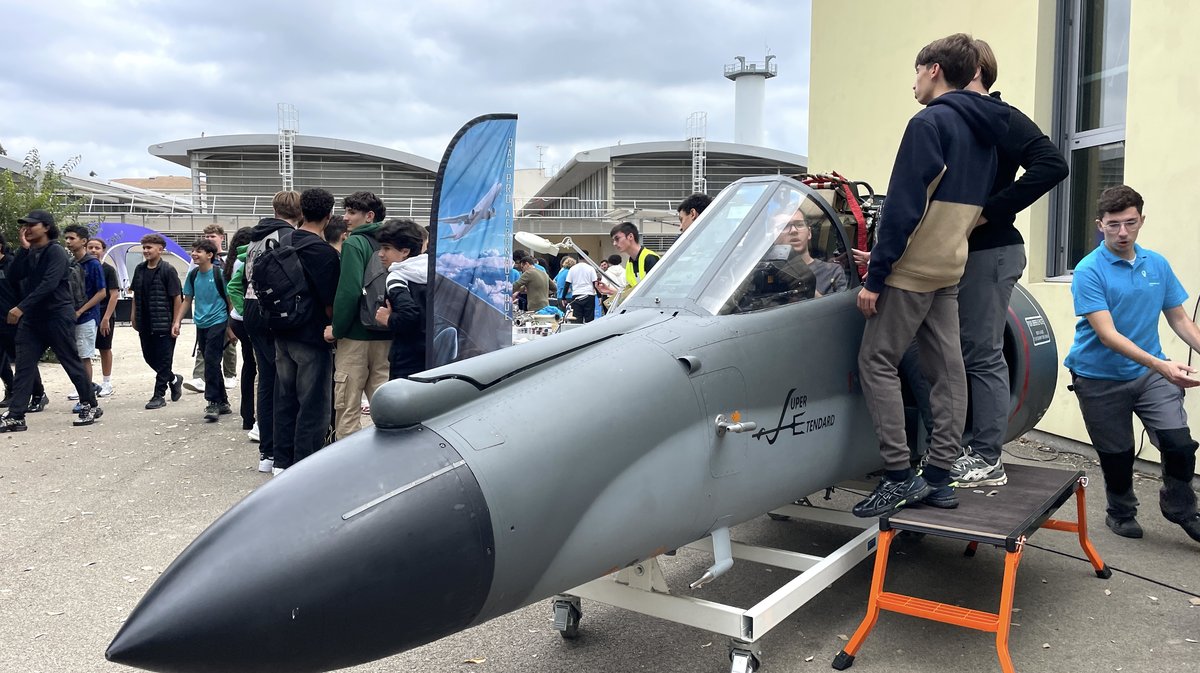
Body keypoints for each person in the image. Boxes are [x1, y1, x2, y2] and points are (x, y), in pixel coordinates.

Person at [852, 33, 1009, 517]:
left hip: (911, 269)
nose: (914, 82)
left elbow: (902, 207)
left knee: (876, 361)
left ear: (935, 69)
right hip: (950, 265)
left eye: (917, 71)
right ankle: (939, 477)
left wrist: (875, 276)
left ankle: (899, 475)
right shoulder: (988, 129)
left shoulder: (929, 124)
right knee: (949, 370)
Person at [946, 39, 1071, 487]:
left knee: (981, 352)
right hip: (957, 254)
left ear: (975, 69)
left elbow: (1052, 164)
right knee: (955, 353)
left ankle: (986, 458)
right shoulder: (955, 120)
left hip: (991, 250)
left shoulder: (1001, 117)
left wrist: (989, 211)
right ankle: (958, 448)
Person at [1064, 185, 1200, 544]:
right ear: (1100, 225)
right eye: (1113, 225)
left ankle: (1181, 507)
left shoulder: (1156, 264)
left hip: (1148, 375)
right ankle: (1121, 512)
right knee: (1118, 455)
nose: (1122, 233)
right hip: (1098, 377)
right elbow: (1108, 335)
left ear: (1141, 220)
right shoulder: (1089, 270)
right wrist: (1162, 365)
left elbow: (1181, 320)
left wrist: (1162, 365)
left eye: (1130, 223)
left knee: (1179, 443)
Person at [1, 210, 104, 431]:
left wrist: (20, 308)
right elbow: (13, 277)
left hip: (57, 315)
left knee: (70, 362)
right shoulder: (30, 252)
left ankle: (90, 404)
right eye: (24, 225)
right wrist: (23, 250)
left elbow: (49, 284)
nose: (27, 228)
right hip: (33, 319)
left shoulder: (56, 251)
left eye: (32, 224)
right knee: (24, 366)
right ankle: (16, 415)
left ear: (46, 227)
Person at [272, 188, 341, 474]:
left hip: (281, 330)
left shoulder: (282, 242)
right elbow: (330, 301)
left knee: (285, 398)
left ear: (301, 212)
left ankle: (280, 462)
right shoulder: (323, 252)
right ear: (329, 215)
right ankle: (305, 468)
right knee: (313, 404)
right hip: (311, 335)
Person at [241, 191, 302, 471]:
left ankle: (266, 452)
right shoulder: (287, 236)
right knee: (282, 382)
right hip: (273, 309)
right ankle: (280, 453)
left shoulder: (255, 237)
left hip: (251, 307)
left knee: (265, 381)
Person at [328, 191, 391, 440]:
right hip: (386, 333)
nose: (345, 218)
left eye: (352, 212)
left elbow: (349, 291)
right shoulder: (394, 242)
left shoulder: (355, 242)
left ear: (369, 216)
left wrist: (337, 328)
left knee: (348, 407)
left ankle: (349, 469)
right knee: (385, 406)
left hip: (355, 336)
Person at [176, 240, 231, 422]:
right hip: (201, 323)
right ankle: (223, 401)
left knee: (211, 362)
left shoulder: (219, 274)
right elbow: (187, 300)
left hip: (219, 321)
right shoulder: (192, 276)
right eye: (193, 250)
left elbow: (229, 301)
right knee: (211, 361)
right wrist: (177, 321)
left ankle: (213, 401)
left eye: (199, 251)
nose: (194, 254)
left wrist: (231, 327)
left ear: (210, 255)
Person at [130, 233, 185, 410]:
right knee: (148, 357)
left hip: (164, 322)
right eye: (144, 247)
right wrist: (133, 315)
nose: (146, 251)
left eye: (149, 247)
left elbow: (177, 297)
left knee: (163, 359)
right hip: (144, 321)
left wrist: (176, 321)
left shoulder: (168, 270)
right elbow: (135, 294)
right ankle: (173, 379)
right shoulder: (139, 269)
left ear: (160, 250)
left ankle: (158, 394)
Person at [373, 219, 428, 380]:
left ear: (405, 251)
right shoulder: (435, 270)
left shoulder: (397, 276)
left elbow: (409, 316)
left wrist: (388, 319)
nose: (381, 254)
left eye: (386, 248)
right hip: (435, 355)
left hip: (407, 359)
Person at [185, 225, 237, 393]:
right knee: (207, 352)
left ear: (222, 237)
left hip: (222, 313)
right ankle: (201, 379)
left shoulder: (228, 259)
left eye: (212, 236)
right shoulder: (195, 266)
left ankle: (229, 376)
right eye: (206, 236)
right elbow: (189, 292)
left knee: (226, 347)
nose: (209, 239)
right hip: (203, 316)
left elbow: (231, 292)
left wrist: (232, 318)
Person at [63, 224, 107, 409]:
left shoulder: (93, 264)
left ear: (83, 241)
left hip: (87, 316)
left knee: (84, 356)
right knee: (75, 356)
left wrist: (81, 311)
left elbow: (102, 292)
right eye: (66, 238)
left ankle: (86, 398)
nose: (68, 242)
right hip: (71, 316)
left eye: (72, 238)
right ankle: (88, 388)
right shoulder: (70, 262)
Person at [0, 231, 45, 410]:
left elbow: (24, 291)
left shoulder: (11, 264)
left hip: (13, 322)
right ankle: (11, 389)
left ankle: (38, 394)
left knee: (23, 360)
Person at [222, 227, 258, 438]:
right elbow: (234, 289)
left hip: (237, 319)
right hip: (247, 317)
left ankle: (247, 416)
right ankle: (253, 417)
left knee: (248, 366)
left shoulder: (233, 261)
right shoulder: (246, 260)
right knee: (256, 368)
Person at [86, 238, 119, 398]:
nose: (93, 250)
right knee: (83, 351)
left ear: (103, 250)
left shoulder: (108, 270)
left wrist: (106, 318)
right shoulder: (80, 268)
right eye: (90, 247)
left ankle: (107, 382)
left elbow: (114, 295)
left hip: (104, 313)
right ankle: (85, 384)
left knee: (104, 348)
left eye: (97, 247)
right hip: (85, 314)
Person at [565, 256, 599, 322]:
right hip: (589, 295)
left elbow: (567, 284)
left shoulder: (572, 269)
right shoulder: (591, 268)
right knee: (589, 319)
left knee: (577, 319)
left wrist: (563, 297)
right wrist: (599, 296)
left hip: (576, 295)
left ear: (578, 258)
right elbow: (595, 283)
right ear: (587, 257)